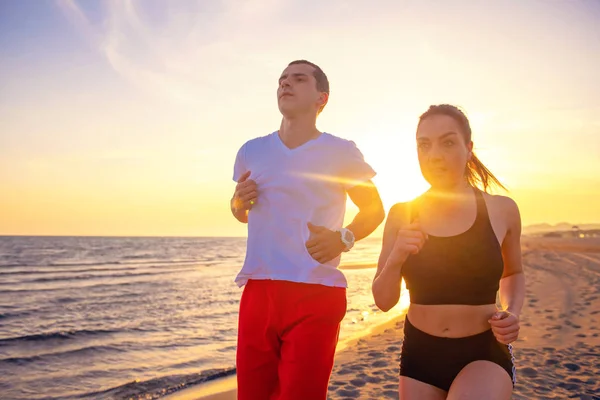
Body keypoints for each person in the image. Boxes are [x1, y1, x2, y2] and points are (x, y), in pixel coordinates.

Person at [230, 59, 385, 400]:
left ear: (321, 98)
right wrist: (238, 203)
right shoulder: (250, 151)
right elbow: (240, 212)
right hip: (258, 290)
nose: (286, 84)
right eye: (282, 79)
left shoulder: (340, 151)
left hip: (316, 290)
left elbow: (375, 209)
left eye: (299, 79)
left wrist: (344, 238)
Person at [372, 104, 525, 400]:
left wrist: (512, 312)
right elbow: (383, 301)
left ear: (469, 149)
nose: (434, 154)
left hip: (483, 351)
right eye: (424, 145)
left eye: (448, 142)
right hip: (420, 354)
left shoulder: (501, 209)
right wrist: (396, 258)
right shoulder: (401, 214)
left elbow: (514, 272)